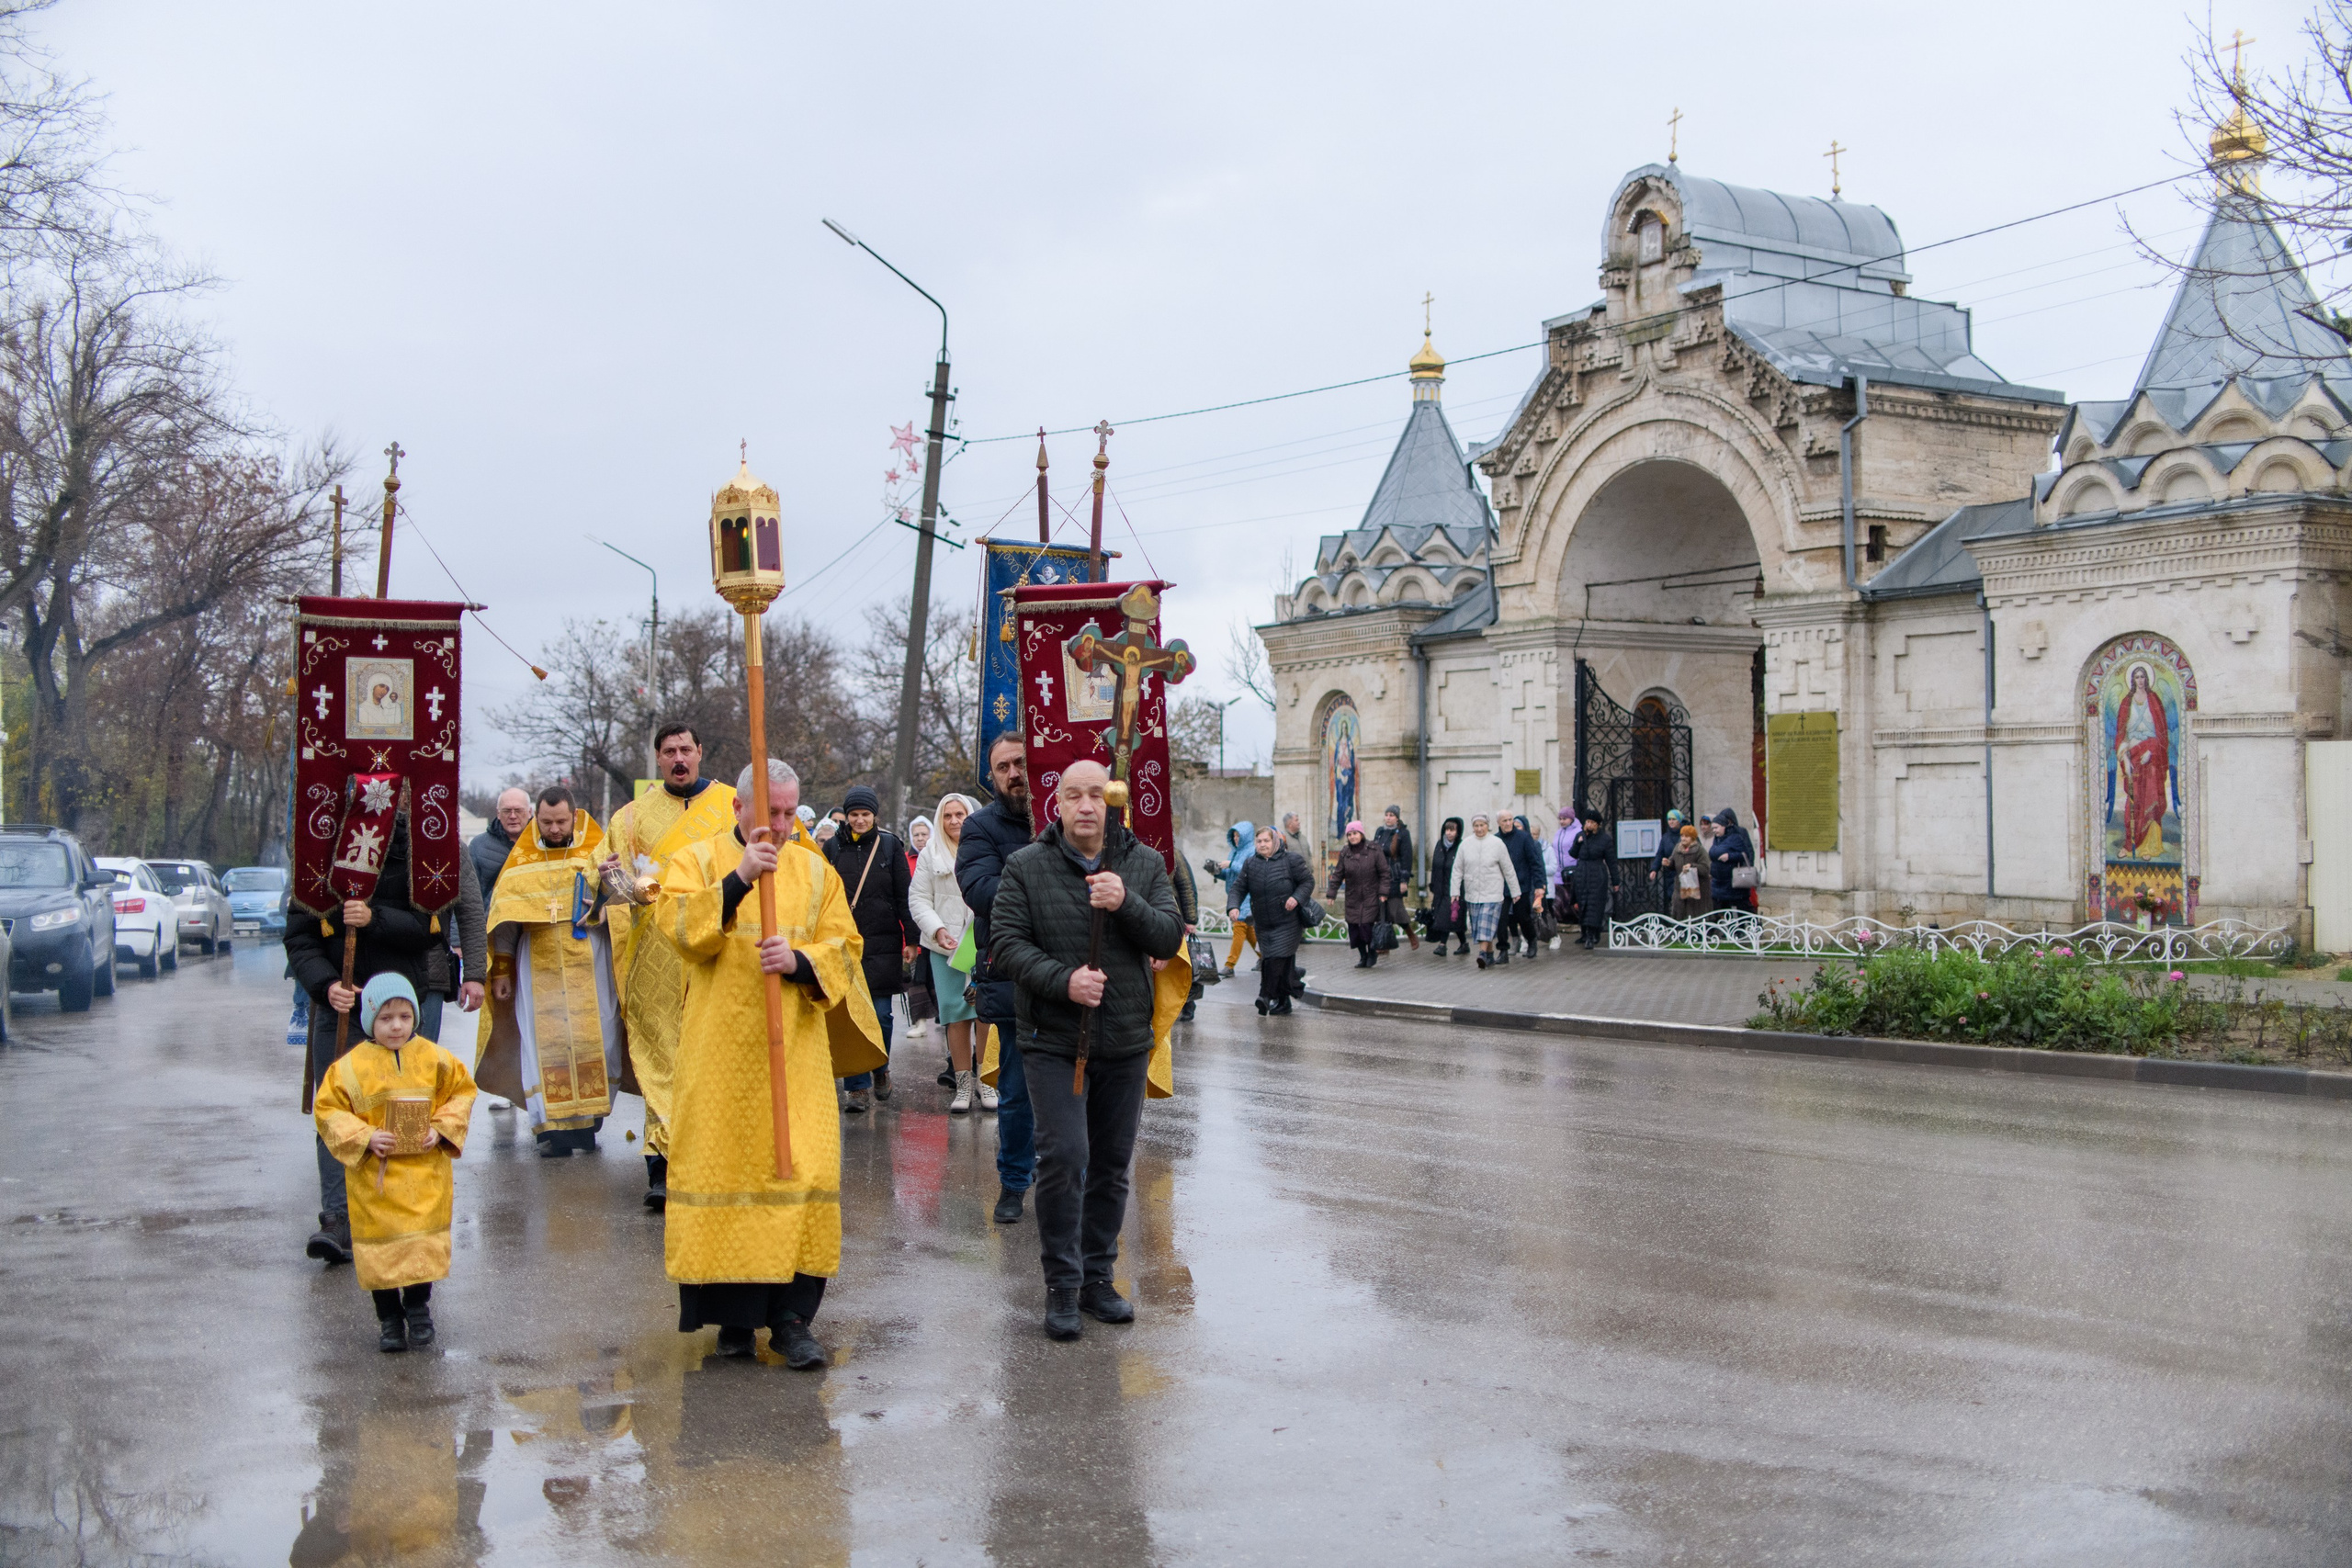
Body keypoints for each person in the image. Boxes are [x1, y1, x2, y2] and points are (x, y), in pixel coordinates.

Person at [659, 759, 887, 1369]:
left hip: (797, 1051)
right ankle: (733, 1323)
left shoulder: (816, 870)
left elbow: (846, 945)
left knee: (801, 1169)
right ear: (740, 809)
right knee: (727, 1171)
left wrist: (802, 960)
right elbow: (679, 928)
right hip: (721, 1051)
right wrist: (737, 879)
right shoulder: (699, 859)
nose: (783, 825)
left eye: (790, 812)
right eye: (771, 813)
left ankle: (791, 1319)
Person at [987, 761, 1184, 1341]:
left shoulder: (1143, 864)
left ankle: (1099, 1279)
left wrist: (1125, 902)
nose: (1086, 806)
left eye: (1096, 795)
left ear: (1110, 801)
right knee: (1066, 1158)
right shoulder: (1026, 867)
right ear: (1058, 803)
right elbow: (1006, 945)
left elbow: (1170, 936)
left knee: (1111, 1167)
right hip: (1053, 1041)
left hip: (1123, 1040)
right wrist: (1064, 980)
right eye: (1073, 795)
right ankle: (1062, 1286)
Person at [597, 722, 737, 1210]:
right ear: (658, 758)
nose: (679, 758)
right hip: (654, 952)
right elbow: (607, 878)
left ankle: (713, 1158)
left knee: (712, 1053)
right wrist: (622, 884)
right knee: (662, 1053)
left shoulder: (732, 805)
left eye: (686, 749)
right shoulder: (631, 817)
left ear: (701, 752)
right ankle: (660, 1163)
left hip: (717, 946)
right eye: (669, 751)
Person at [288, 812, 437, 1266]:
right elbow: (299, 937)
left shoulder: (417, 855)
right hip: (341, 1009)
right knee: (335, 1107)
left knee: (402, 1106)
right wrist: (325, 984)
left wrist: (375, 918)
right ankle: (337, 1219)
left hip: (396, 1010)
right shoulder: (318, 860)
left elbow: (429, 928)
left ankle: (398, 1211)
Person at [311, 973, 477, 1353]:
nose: (397, 1026)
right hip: (375, 1179)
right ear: (370, 1020)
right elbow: (328, 1111)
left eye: (404, 1016)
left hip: (425, 1177)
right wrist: (365, 1136)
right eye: (386, 1019)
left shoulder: (436, 1058)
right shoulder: (349, 1067)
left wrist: (441, 1128)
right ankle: (388, 1318)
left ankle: (418, 1309)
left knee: (420, 1248)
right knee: (381, 1253)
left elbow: (462, 1094)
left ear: (415, 1017)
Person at [475, 786, 627, 1158]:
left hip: (590, 961)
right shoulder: (520, 861)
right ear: (535, 819)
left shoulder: (599, 851)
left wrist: (608, 892)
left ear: (573, 817)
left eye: (561, 822)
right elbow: (506, 922)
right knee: (545, 1046)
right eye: (546, 822)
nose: (554, 829)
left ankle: (589, 1123)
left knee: (600, 1039)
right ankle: (551, 1133)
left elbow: (626, 903)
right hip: (537, 963)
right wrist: (502, 971)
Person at [957, 735, 1040, 1225]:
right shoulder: (979, 827)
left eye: (1022, 763)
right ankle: (1013, 1182)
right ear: (992, 776)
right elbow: (982, 890)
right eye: (1003, 766)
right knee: (1016, 1089)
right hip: (1011, 974)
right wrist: (1050, 895)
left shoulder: (1062, 817)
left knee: (1076, 1086)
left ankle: (1065, 1175)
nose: (1013, 773)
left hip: (1070, 973)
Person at [822, 784, 917, 1113]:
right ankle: (857, 1088)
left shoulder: (890, 846)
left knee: (881, 1015)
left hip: (884, 941)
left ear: (874, 815)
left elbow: (905, 895)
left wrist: (912, 939)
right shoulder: (832, 848)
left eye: (865, 814)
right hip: (845, 944)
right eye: (854, 815)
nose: (860, 820)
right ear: (846, 817)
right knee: (851, 1018)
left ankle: (880, 1067)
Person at [910, 792, 992, 1114]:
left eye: (960, 814)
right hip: (945, 949)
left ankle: (987, 1081)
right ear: (940, 820)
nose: (955, 821)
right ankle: (963, 1085)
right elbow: (918, 899)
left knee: (986, 1013)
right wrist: (937, 930)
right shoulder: (930, 854)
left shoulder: (986, 847)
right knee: (955, 1016)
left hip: (984, 944)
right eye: (948, 815)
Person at [1235, 825, 1314, 1013]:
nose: (1262, 844)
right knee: (1276, 961)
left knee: (1274, 959)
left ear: (1275, 842)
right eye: (1259, 841)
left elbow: (1308, 881)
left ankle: (1265, 995)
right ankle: (1287, 993)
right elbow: (1239, 888)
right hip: (1263, 923)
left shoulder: (1291, 860)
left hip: (1288, 921)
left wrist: (1296, 898)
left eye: (1266, 841)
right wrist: (1233, 907)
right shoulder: (1250, 863)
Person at [1449, 812, 1519, 970]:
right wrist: (1455, 892)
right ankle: (1490, 954)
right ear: (1472, 827)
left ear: (1488, 826)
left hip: (1493, 892)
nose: (1479, 829)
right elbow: (1457, 870)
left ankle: (1481, 954)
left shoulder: (1497, 843)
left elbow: (1508, 869)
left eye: (1482, 825)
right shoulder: (1465, 844)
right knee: (1479, 926)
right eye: (1476, 826)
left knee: (1485, 923)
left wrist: (1515, 892)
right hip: (1473, 892)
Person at [1327, 820, 1392, 969]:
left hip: (1371, 895)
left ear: (1361, 834)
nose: (1352, 837)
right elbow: (1338, 874)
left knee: (1366, 927)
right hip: (1353, 897)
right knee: (1355, 930)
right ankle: (1363, 956)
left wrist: (1383, 892)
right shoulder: (1345, 853)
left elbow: (1384, 872)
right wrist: (1331, 894)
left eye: (1355, 833)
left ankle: (1372, 952)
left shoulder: (1374, 850)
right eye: (1349, 834)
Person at [1204, 821, 1257, 976]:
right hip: (1236, 896)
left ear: (1246, 837)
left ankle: (1230, 965)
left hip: (1246, 896)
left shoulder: (1252, 851)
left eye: (1238, 836)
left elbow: (1249, 871)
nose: (1236, 839)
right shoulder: (1233, 852)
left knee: (1239, 927)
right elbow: (1231, 875)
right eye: (1233, 836)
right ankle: (1265, 957)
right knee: (1250, 932)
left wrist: (1231, 864)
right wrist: (1216, 872)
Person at [901, 815, 936, 1045]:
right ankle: (919, 1022)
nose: (921, 838)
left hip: (935, 927)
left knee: (937, 977)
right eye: (917, 835)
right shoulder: (905, 860)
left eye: (924, 834)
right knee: (916, 979)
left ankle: (946, 1018)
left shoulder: (937, 856)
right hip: (912, 927)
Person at [1495, 812, 1547, 964]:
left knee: (1522, 917)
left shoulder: (1524, 838)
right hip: (1501, 887)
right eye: (1505, 820)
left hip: (1521, 885)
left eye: (1510, 820)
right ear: (1499, 822)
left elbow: (1535, 862)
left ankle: (1531, 940)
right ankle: (1503, 951)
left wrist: (1539, 885)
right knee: (1502, 919)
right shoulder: (1496, 840)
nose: (1508, 823)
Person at [469, 787, 530, 904]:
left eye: (518, 810)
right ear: (498, 813)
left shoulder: (542, 843)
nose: (513, 816)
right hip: (491, 920)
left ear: (529, 812)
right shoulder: (478, 846)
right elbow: (468, 896)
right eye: (507, 811)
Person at [1373, 807, 1419, 952]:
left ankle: (1410, 933)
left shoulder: (1403, 834)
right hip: (1380, 876)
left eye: (1391, 815)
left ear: (1397, 818)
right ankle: (1384, 942)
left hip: (1395, 876)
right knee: (1381, 911)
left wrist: (1404, 880)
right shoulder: (1380, 831)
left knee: (1395, 910)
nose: (1388, 818)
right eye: (1386, 815)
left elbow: (1407, 857)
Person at [1568, 815, 1618, 948]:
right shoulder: (1581, 836)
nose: (1589, 825)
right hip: (1582, 874)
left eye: (1592, 822)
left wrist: (1616, 881)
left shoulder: (1604, 839)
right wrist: (1578, 843)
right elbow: (1573, 854)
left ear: (1597, 825)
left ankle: (1592, 935)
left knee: (1593, 905)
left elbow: (1611, 861)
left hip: (1597, 875)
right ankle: (1584, 933)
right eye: (1587, 821)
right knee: (1582, 903)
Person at [1424, 817, 1467, 955]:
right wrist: (1433, 884)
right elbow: (1435, 866)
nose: (1449, 833)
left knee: (1446, 917)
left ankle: (1442, 945)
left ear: (1458, 831)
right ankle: (1464, 943)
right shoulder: (1439, 846)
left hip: (1455, 889)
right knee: (1453, 920)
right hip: (1440, 888)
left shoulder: (1461, 847)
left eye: (1452, 830)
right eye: (1447, 830)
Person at [1710, 808, 1757, 913]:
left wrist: (1744, 870)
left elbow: (1747, 853)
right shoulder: (1717, 837)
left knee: (1742, 907)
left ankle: (1747, 927)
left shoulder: (1738, 833)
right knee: (1723, 909)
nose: (1715, 830)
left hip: (1736, 876)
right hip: (1720, 879)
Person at [1669, 821, 1711, 919]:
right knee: (1679, 914)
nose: (1683, 838)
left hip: (1697, 888)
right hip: (1680, 887)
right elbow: (1673, 864)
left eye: (1686, 836)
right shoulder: (1677, 849)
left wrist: (1692, 867)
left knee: (1695, 916)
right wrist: (1668, 863)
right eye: (1682, 835)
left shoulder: (1699, 850)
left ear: (1692, 838)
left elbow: (1705, 868)